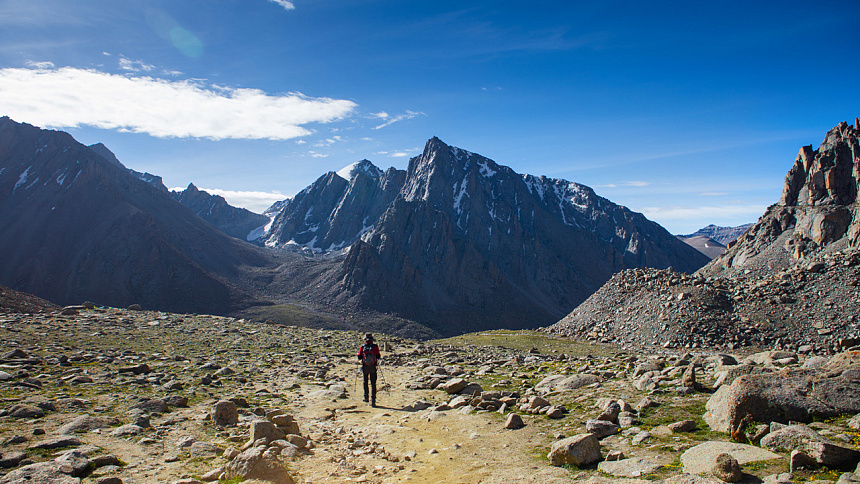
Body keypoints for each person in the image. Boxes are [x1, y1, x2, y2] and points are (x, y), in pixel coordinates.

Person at [357, 333, 381, 407]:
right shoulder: (375, 346)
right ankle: (373, 400)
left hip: (365, 366)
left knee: (365, 381)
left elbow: (359, 357)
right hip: (373, 367)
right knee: (373, 383)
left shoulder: (363, 347)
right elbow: (378, 356)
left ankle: (366, 397)